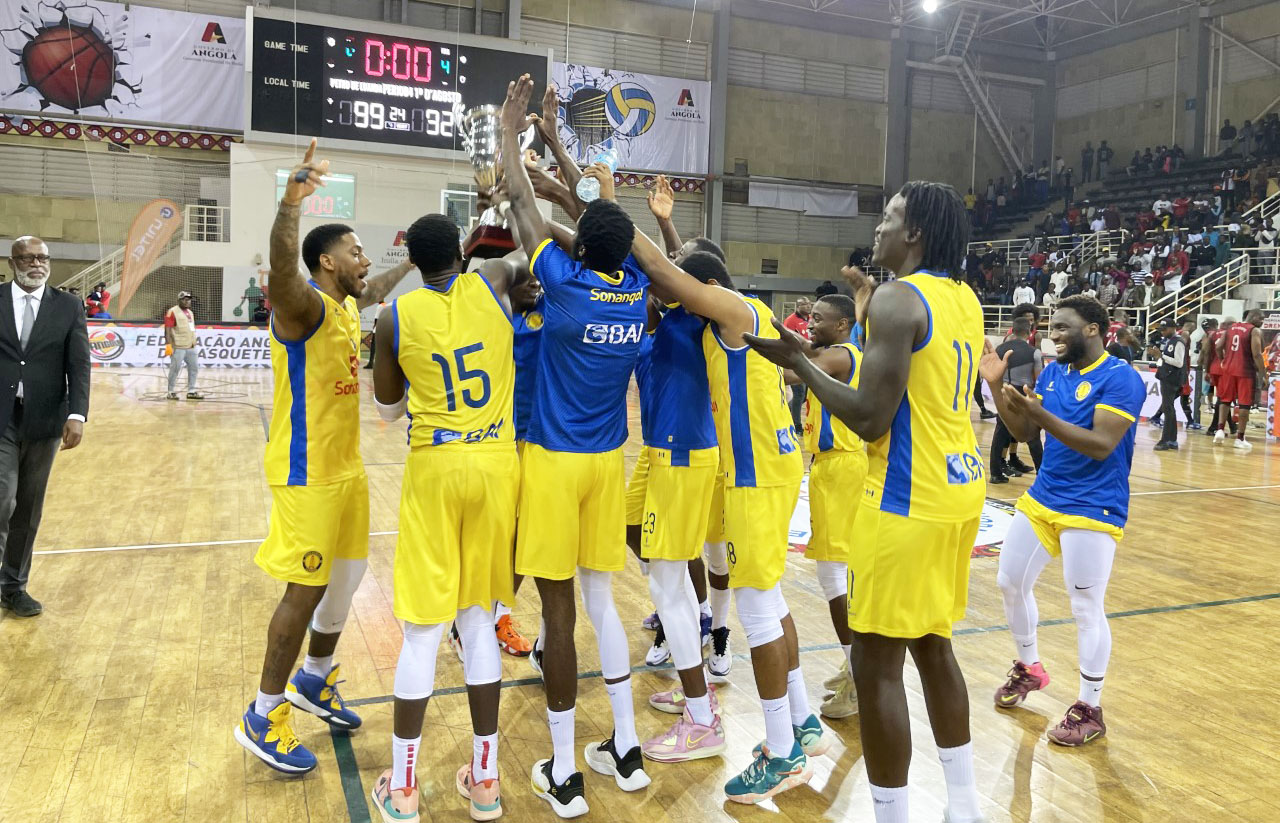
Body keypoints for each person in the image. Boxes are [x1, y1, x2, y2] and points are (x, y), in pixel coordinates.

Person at [744, 181, 987, 823]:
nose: (877, 227)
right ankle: (963, 808)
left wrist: (804, 366)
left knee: (876, 663)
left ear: (915, 235)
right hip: (959, 487)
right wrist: (804, 357)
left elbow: (871, 418)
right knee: (935, 645)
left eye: (889, 217)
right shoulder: (962, 297)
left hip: (906, 496)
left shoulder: (896, 299)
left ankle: (892, 815)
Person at [630, 196, 825, 802]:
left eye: (693, 282)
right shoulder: (736, 314)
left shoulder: (736, 312)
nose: (679, 287)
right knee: (771, 601)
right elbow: (689, 268)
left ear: (706, 287)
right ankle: (801, 720)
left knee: (760, 611)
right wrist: (666, 225)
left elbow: (671, 275)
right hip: (766, 468)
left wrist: (610, 214)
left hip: (756, 474)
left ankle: (780, 751)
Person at [235, 139, 415, 775]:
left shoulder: (343, 306)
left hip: (348, 473)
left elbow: (382, 286)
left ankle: (314, 678)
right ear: (327, 260)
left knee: (346, 580)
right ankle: (263, 711)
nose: (366, 259)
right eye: (357, 252)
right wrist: (291, 202)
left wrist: (417, 257)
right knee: (304, 589)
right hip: (306, 474)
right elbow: (283, 273)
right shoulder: (303, 304)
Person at [500, 76, 651, 815]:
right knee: (603, 605)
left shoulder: (560, 282)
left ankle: (563, 770)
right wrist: (554, 143)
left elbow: (529, 213)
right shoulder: (635, 289)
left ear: (580, 246)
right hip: (607, 460)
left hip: (556, 461)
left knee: (557, 617)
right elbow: (590, 221)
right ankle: (626, 747)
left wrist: (509, 135)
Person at [368, 212, 524, 821]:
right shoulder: (493, 279)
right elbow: (521, 263)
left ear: (410, 255)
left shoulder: (394, 316)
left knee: (424, 629)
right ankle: (485, 780)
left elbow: (385, 411)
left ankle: (404, 787)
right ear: (460, 252)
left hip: (436, 465)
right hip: (495, 465)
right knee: (479, 620)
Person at [981, 295, 1145, 747]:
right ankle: (1030, 668)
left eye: (1061, 328)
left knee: (1085, 607)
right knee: (1009, 582)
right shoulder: (1055, 373)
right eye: (1050, 328)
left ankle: (1090, 705)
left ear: (1092, 329)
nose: (1052, 336)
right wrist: (997, 389)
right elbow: (1025, 433)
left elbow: (1099, 445)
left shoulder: (1121, 377)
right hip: (1045, 496)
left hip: (1094, 506)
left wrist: (1040, 412)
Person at [642, 173, 733, 678]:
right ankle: (684, 616)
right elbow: (678, 273)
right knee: (654, 543)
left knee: (715, 553)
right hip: (663, 447)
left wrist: (669, 230)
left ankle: (715, 633)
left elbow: (686, 275)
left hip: (705, 448)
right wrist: (665, 222)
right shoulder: (672, 314)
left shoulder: (710, 315)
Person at [787, 293, 866, 720]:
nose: (809, 324)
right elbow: (802, 348)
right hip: (831, 467)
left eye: (817, 319)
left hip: (842, 467)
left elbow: (791, 370)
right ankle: (855, 663)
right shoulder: (835, 350)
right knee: (840, 572)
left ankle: (859, 674)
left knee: (833, 572)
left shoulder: (839, 356)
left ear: (841, 326)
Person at [0, 237, 89, 617]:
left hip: (46, 419)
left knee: (29, 507)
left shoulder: (68, 305)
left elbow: (79, 363)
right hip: (2, 418)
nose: (36, 264)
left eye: (42, 258)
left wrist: (78, 414)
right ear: (12, 262)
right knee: (3, 498)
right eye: (28, 258)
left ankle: (14, 587)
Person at [989, 318, 1043, 484]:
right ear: (1028, 333)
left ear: (1012, 331)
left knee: (1000, 434)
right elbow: (1038, 378)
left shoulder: (999, 349)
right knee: (1032, 435)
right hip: (1022, 394)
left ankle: (995, 473)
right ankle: (1043, 476)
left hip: (1004, 392)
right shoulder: (1033, 352)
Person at [1213, 310, 1265, 451]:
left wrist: (1223, 360)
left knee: (1225, 400)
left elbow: (1218, 346)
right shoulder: (1254, 331)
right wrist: (1263, 373)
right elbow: (1257, 354)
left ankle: (1219, 430)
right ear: (1253, 317)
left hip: (1228, 370)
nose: (1262, 322)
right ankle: (1240, 438)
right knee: (1244, 405)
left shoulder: (1231, 328)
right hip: (1245, 371)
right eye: (1261, 319)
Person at [1149, 321, 1186, 451]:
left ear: (1173, 328)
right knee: (1169, 408)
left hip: (1172, 379)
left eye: (1164, 329)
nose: (1162, 332)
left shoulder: (1178, 342)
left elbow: (1179, 363)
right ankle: (1172, 440)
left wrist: (1161, 356)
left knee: (1168, 408)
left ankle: (1166, 440)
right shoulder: (1171, 341)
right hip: (1167, 377)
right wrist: (1157, 358)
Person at [164, 291, 203, 400]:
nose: (187, 301)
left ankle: (191, 391)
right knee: (175, 369)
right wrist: (168, 345)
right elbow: (167, 329)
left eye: (189, 299)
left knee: (194, 368)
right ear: (179, 300)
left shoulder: (190, 312)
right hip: (178, 346)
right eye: (185, 299)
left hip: (191, 346)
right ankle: (171, 391)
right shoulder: (172, 312)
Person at [782, 298, 813, 430]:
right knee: (798, 393)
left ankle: (791, 417)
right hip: (796, 361)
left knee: (804, 395)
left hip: (810, 361)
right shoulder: (790, 321)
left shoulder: (811, 319)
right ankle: (796, 424)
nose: (807, 306)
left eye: (808, 304)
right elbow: (787, 341)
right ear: (797, 306)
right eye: (804, 304)